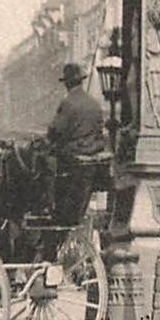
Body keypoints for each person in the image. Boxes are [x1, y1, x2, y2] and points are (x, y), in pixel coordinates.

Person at [45, 63, 108, 227]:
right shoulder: (94, 104)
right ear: (81, 81)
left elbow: (55, 131)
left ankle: (49, 204)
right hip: (91, 157)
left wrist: (48, 140)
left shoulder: (68, 103)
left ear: (67, 83)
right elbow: (99, 132)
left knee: (44, 162)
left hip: (71, 157)